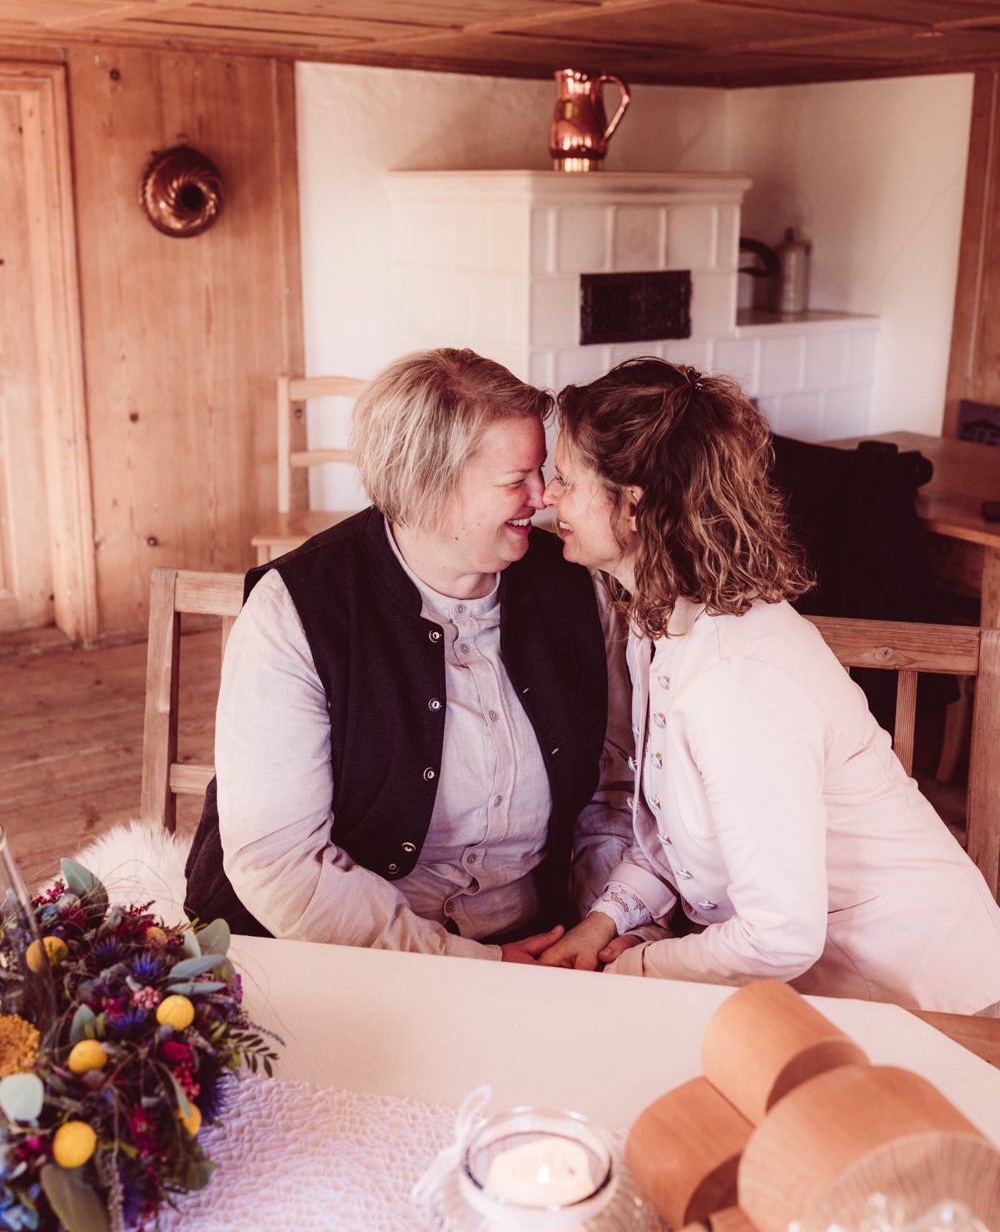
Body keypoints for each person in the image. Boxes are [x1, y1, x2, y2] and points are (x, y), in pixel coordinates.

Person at [538, 357, 1000, 1014]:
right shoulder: (662, 622)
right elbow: (680, 831)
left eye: (567, 478)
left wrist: (637, 965)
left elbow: (780, 936)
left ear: (632, 506)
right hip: (827, 994)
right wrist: (602, 923)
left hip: (930, 1008)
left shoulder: (735, 682)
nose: (549, 495)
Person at [184, 348, 633, 962]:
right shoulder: (297, 608)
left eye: (543, 471)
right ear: (425, 486)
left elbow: (615, 793)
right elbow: (279, 858)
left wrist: (599, 928)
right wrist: (472, 965)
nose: (545, 496)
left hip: (543, 950)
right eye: (515, 481)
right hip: (340, 955)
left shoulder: (577, 588)